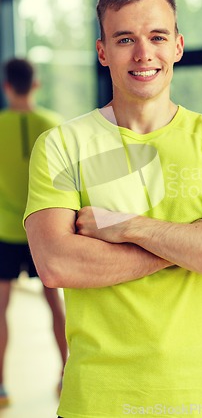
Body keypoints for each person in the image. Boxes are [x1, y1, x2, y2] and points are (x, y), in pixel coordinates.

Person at [24, 0, 202, 418]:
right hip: (98, 399)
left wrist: (128, 227)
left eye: (157, 36)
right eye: (125, 39)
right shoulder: (62, 145)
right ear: (102, 52)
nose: (143, 54)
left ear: (177, 45)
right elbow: (57, 263)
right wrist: (195, 244)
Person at [0, 58, 68, 407]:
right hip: (43, 231)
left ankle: (0, 388)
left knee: (0, 309)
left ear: (7, 86)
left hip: (5, 233)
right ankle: (66, 376)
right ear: (36, 84)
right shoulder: (53, 125)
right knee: (55, 304)